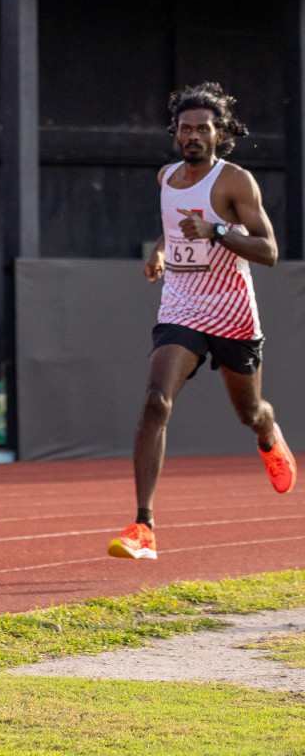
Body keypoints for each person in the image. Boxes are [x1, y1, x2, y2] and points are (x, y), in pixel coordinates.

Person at [109, 83, 291, 560]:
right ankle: (143, 525)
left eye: (203, 128)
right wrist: (161, 252)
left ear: (219, 134)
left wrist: (218, 231)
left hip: (232, 310)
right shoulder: (166, 178)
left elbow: (269, 251)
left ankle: (269, 435)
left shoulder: (235, 181)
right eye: (185, 128)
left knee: (249, 412)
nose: (193, 135)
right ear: (176, 133)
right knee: (156, 401)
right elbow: (174, 228)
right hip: (182, 305)